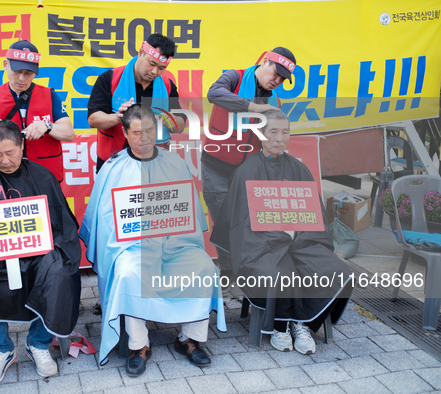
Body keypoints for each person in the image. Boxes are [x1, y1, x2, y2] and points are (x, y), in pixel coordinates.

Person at [80, 104, 225, 376]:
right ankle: (138, 345)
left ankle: (188, 340)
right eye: (136, 132)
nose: (144, 138)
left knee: (204, 267)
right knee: (129, 271)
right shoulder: (113, 168)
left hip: (176, 243)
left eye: (149, 131)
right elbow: (105, 222)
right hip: (131, 246)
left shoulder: (175, 163)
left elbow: (189, 213)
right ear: (125, 132)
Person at [210, 110, 353, 355]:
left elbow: (315, 218)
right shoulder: (247, 171)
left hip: (302, 242)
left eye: (285, 132)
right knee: (280, 272)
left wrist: (295, 236)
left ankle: (303, 324)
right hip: (262, 245)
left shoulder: (300, 170)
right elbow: (239, 225)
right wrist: (275, 237)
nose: (279, 138)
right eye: (273, 132)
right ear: (261, 135)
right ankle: (280, 327)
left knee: (336, 270)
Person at [0, 120, 81, 385]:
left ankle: (39, 343)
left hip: (38, 253)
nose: (5, 160)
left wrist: (50, 245)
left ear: (22, 146)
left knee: (58, 272)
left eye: (10, 152)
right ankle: (0, 349)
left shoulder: (42, 176)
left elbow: (62, 225)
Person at [203, 47, 297, 285]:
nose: (277, 81)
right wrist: (253, 108)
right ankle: (228, 276)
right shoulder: (234, 77)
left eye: (283, 79)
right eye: (276, 73)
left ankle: (246, 276)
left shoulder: (273, 100)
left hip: (248, 172)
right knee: (222, 225)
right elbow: (214, 93)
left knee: (248, 226)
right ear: (265, 62)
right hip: (216, 169)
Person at [0, 40, 74, 182]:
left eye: (28, 73)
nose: (22, 78)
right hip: (6, 175)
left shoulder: (50, 95)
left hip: (44, 174)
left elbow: (69, 133)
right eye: (17, 72)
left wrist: (47, 125)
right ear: (6, 65)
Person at [87, 33, 186, 172]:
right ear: (140, 53)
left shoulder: (167, 86)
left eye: (161, 68)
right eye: (152, 64)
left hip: (153, 162)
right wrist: (117, 117)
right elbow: (93, 119)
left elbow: (180, 125)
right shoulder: (110, 79)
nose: (154, 71)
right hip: (113, 160)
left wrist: (171, 120)